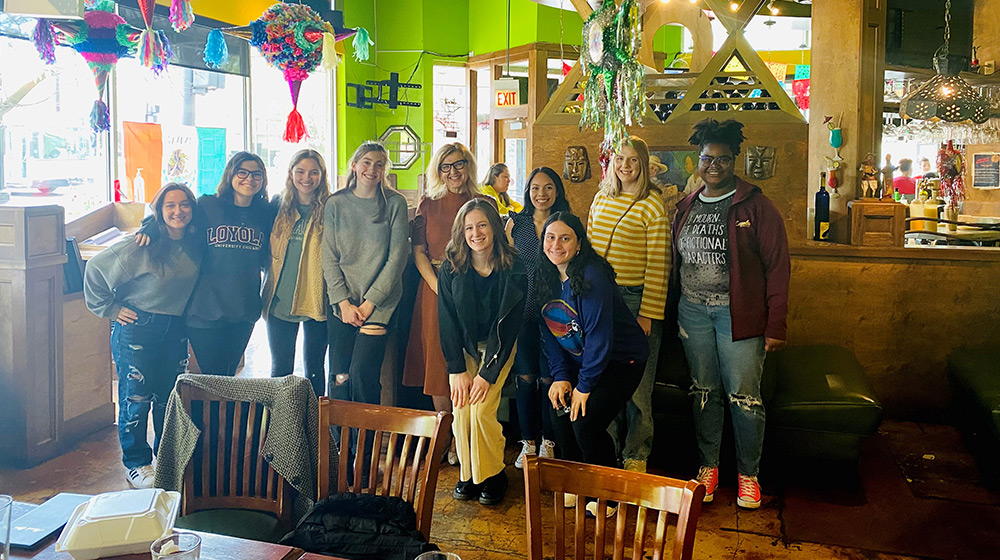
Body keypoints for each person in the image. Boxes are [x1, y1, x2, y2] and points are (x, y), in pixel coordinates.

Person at [668, 118, 790, 510]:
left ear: (734, 160)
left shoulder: (756, 205)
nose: (714, 166)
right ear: (697, 161)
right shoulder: (685, 206)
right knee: (704, 392)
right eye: (707, 158)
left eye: (722, 159)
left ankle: (749, 475)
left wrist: (776, 325)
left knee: (744, 396)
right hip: (693, 313)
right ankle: (708, 468)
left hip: (739, 317)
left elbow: (778, 267)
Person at [84, 183, 203, 489]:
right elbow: (96, 270)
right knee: (135, 398)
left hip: (175, 327)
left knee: (167, 398)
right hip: (138, 326)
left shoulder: (195, 243)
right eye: (170, 206)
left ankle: (165, 458)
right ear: (159, 211)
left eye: (185, 204)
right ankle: (137, 463)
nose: (178, 211)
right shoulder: (142, 243)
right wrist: (110, 308)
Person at [537, 212, 648, 515]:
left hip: (622, 359)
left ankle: (608, 495)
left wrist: (584, 387)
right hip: (581, 360)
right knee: (559, 407)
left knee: (585, 419)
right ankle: (576, 483)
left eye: (565, 238)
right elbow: (549, 332)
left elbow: (600, 337)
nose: (556, 244)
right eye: (550, 237)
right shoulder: (543, 277)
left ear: (578, 243)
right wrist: (561, 377)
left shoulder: (591, 275)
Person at [138, 152, 276, 376]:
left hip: (244, 308)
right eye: (242, 172)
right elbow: (174, 213)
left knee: (228, 375)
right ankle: (208, 413)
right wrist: (150, 226)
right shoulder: (208, 205)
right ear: (231, 174)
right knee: (213, 376)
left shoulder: (266, 213)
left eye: (256, 174)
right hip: (204, 309)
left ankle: (225, 413)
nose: (249, 179)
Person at [402, 143, 494, 465]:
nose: (453, 172)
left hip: (474, 288)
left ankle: (467, 436)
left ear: (468, 166)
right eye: (446, 167)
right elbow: (418, 253)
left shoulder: (485, 203)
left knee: (470, 360)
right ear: (438, 171)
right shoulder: (428, 205)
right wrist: (438, 286)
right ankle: (447, 435)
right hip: (435, 289)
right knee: (438, 363)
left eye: (459, 165)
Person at [587, 135, 669, 473]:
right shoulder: (601, 199)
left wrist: (648, 312)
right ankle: (606, 451)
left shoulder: (653, 205)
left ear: (645, 165)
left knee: (637, 387)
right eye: (620, 159)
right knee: (603, 381)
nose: (625, 166)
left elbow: (659, 263)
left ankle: (636, 454)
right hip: (601, 298)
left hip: (635, 300)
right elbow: (588, 252)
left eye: (633, 160)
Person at [438, 199, 526, 506]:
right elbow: (447, 320)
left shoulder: (513, 266)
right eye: (469, 227)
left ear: (495, 227)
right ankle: (469, 473)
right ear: (461, 232)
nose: (476, 233)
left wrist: (487, 374)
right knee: (462, 409)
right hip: (464, 348)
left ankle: (492, 474)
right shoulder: (451, 266)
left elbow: (509, 326)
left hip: (498, 347)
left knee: (481, 409)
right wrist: (455, 369)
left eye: (482, 225)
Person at [323, 142, 409, 407]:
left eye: (379, 164)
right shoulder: (335, 203)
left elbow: (397, 257)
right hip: (343, 301)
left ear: (385, 169)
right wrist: (343, 303)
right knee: (340, 376)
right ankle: (340, 444)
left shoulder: (395, 203)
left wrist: (371, 302)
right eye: (367, 162)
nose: (372, 169)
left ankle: (365, 444)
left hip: (379, 302)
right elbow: (328, 256)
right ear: (355, 165)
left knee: (362, 375)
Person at [504, 167, 572, 468]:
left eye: (547, 187)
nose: (541, 194)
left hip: (555, 312)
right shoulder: (515, 224)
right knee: (525, 377)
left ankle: (549, 441)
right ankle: (528, 441)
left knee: (550, 378)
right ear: (527, 191)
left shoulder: (565, 223)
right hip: (522, 311)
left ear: (557, 190)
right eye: (535, 188)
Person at [260, 150, 331, 397]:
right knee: (280, 369)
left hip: (316, 298)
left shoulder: (331, 208)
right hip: (280, 298)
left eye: (314, 172)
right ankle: (278, 426)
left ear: (322, 175)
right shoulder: (277, 206)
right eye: (300, 171)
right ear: (291, 173)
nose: (307, 178)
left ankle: (313, 425)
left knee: (314, 370)